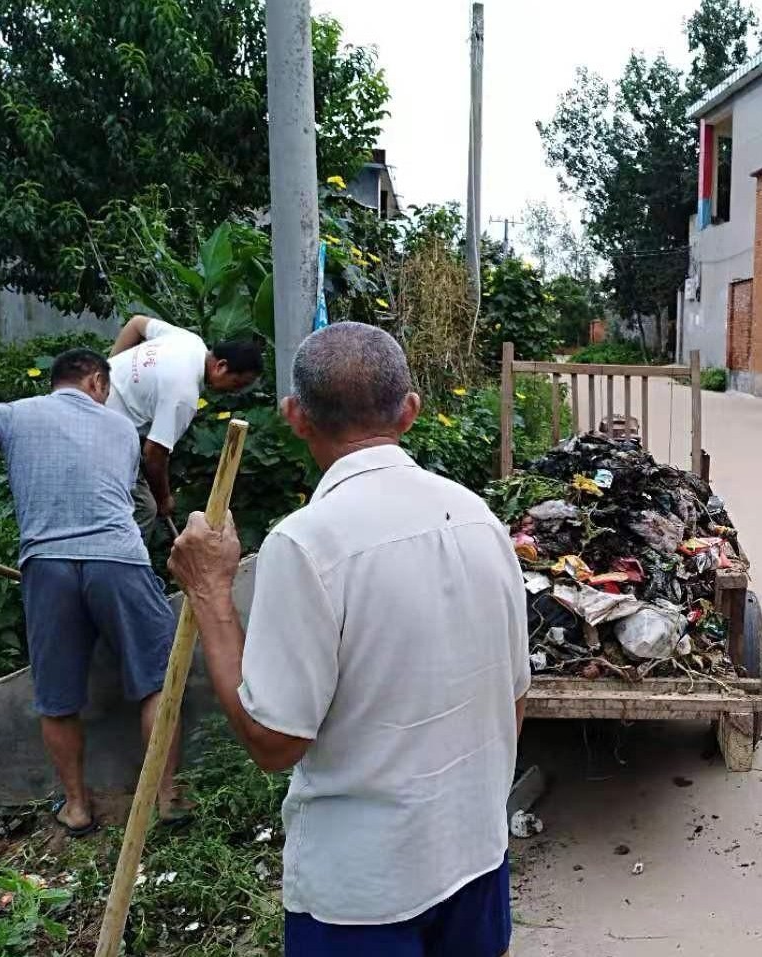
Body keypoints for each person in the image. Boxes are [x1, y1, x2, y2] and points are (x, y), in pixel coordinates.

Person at [169, 322, 530, 957]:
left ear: (295, 417)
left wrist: (209, 593)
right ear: (411, 412)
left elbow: (275, 742)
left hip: (364, 895)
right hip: (476, 855)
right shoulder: (480, 517)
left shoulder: (307, 544)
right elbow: (515, 699)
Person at [0, 349, 183, 836]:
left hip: (47, 566)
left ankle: (77, 807)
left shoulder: (14, 415)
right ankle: (166, 796)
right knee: (157, 678)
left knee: (57, 696)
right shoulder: (121, 428)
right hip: (118, 559)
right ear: (97, 382)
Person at [106, 314, 264, 539]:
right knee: (145, 509)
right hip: (103, 430)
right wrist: (164, 498)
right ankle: (119, 568)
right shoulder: (184, 394)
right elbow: (154, 454)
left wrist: (108, 369)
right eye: (237, 384)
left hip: (92, 394)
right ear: (221, 366)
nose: (235, 391)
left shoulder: (188, 341)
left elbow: (137, 323)